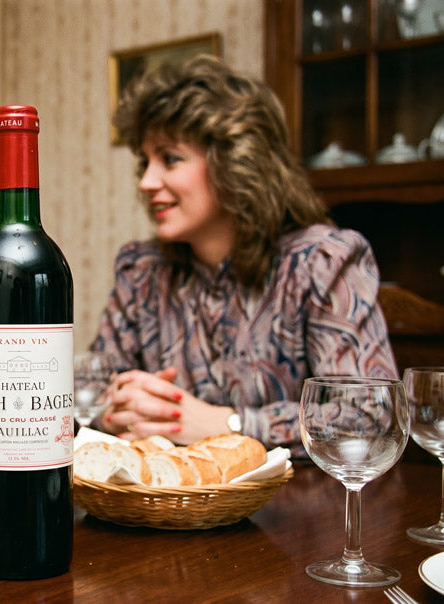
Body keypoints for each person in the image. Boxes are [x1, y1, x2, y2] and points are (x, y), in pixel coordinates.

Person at [91, 55, 397, 456]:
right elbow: (90, 393)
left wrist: (225, 425)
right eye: (144, 162)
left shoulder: (323, 262)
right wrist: (122, 407)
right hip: (171, 512)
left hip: (303, 512)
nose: (147, 181)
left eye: (170, 158)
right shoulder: (142, 272)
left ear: (234, 162)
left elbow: (373, 416)